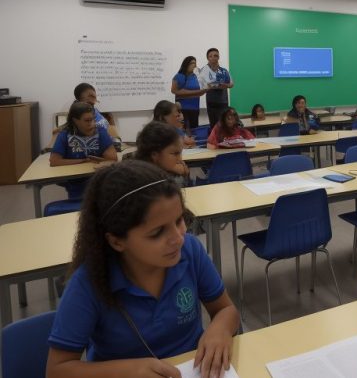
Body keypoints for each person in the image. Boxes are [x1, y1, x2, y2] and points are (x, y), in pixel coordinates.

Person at [46, 161, 239, 378]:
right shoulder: (89, 282)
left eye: (179, 220)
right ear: (117, 241)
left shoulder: (190, 250)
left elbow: (226, 310)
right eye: (157, 233)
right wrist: (130, 371)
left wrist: (219, 330)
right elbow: (57, 371)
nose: (178, 238)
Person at [50, 102, 117, 167]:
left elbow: (112, 159)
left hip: (95, 174)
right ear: (75, 121)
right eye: (87, 120)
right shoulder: (64, 134)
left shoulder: (100, 131)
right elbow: (54, 161)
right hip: (72, 175)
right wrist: (83, 161)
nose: (92, 124)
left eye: (93, 119)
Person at [198, 48, 235, 128]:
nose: (213, 58)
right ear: (207, 58)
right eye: (210, 56)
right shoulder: (204, 71)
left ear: (218, 57)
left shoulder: (224, 71)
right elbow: (201, 86)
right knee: (214, 126)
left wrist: (224, 85)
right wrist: (209, 86)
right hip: (211, 103)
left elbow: (231, 84)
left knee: (224, 125)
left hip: (223, 103)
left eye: (215, 56)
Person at [170, 56, 207, 130]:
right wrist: (196, 93)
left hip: (195, 108)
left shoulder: (197, 76)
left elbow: (202, 91)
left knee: (194, 129)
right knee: (184, 129)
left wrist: (205, 89)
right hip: (183, 108)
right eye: (192, 63)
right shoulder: (179, 76)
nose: (194, 65)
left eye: (195, 63)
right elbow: (174, 90)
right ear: (186, 64)